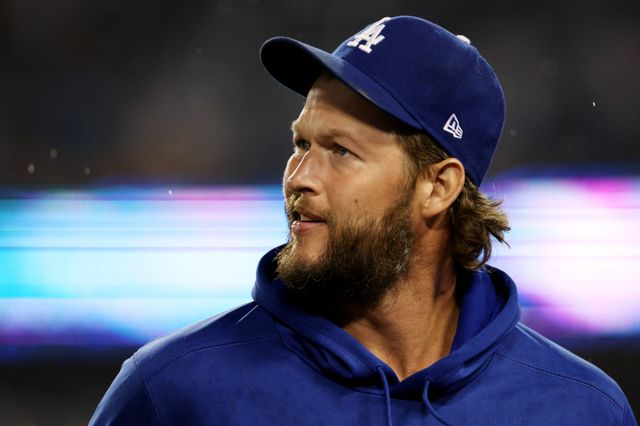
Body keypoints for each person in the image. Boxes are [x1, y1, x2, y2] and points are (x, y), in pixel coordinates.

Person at [90, 16, 636, 425]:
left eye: (341, 151)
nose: (299, 177)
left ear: (438, 187)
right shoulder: (174, 390)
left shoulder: (580, 409)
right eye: (301, 143)